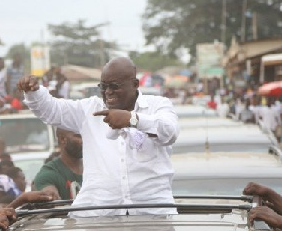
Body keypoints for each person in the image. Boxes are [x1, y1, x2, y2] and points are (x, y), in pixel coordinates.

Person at [20, 57, 179, 216]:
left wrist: (133, 119)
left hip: (154, 216)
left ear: (135, 84)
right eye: (103, 86)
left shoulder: (157, 105)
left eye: (114, 86)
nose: (108, 92)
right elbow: (52, 111)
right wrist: (34, 92)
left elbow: (170, 132)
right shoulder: (89, 109)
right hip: (99, 217)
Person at [34, 128, 83, 200]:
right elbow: (50, 196)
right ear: (63, 139)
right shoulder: (49, 174)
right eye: (79, 136)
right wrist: (51, 195)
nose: (85, 140)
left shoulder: (98, 166)